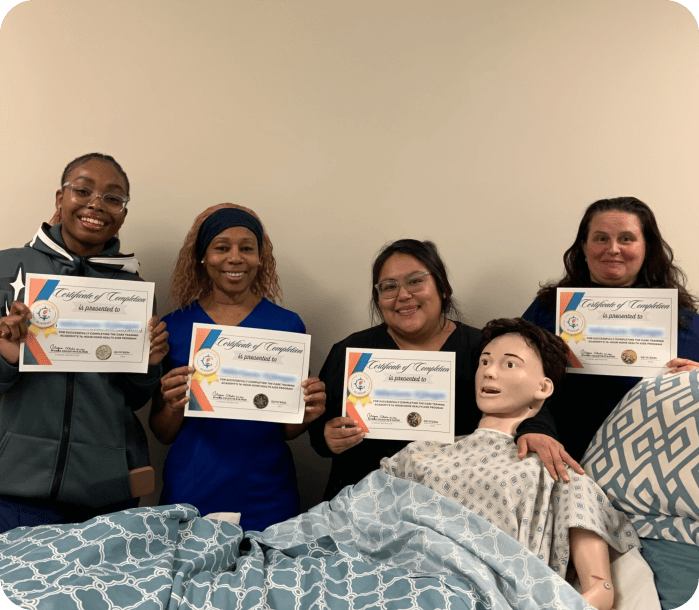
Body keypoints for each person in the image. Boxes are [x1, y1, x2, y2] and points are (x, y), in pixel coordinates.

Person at [381, 318, 638, 610]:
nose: (489, 372)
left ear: (543, 387)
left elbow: (600, 590)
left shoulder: (559, 475)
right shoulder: (419, 453)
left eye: (510, 364)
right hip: (389, 583)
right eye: (485, 362)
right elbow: (361, 517)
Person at [308, 239, 584, 502]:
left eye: (415, 281)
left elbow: (531, 401)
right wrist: (327, 438)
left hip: (455, 505)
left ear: (441, 287)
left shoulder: (485, 349)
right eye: (388, 287)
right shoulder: (351, 351)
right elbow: (320, 431)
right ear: (378, 298)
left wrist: (537, 431)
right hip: (364, 499)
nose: (403, 295)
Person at [0, 153, 169, 533]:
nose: (96, 204)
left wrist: (150, 364)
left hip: (104, 493)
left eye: (113, 197)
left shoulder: (135, 290)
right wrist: (7, 358)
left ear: (123, 213)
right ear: (60, 198)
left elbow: (134, 396)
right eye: (83, 190)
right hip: (12, 485)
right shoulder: (6, 268)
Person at [149, 203, 326, 532]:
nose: (235, 258)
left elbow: (287, 429)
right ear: (203, 256)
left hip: (267, 492)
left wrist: (309, 411)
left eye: (247, 248)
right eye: (221, 247)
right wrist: (174, 404)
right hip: (193, 489)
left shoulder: (287, 327)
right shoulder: (173, 327)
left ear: (261, 259)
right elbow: (162, 433)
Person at [523, 196, 699, 459]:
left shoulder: (681, 318)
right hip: (560, 453)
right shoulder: (549, 309)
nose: (613, 248)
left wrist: (695, 380)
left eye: (626, 238)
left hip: (650, 461)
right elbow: (512, 376)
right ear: (584, 246)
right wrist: (534, 428)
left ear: (647, 247)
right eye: (601, 238)